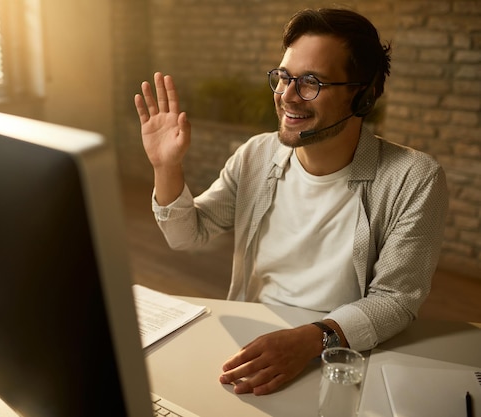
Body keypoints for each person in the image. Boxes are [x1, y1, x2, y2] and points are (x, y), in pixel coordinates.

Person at [133, 7, 448, 395]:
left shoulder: (414, 177)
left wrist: (310, 341)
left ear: (363, 96)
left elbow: (396, 300)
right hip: (250, 339)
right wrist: (167, 167)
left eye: (310, 82)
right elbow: (187, 235)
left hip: (343, 353)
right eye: (283, 77)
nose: (286, 95)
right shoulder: (256, 155)